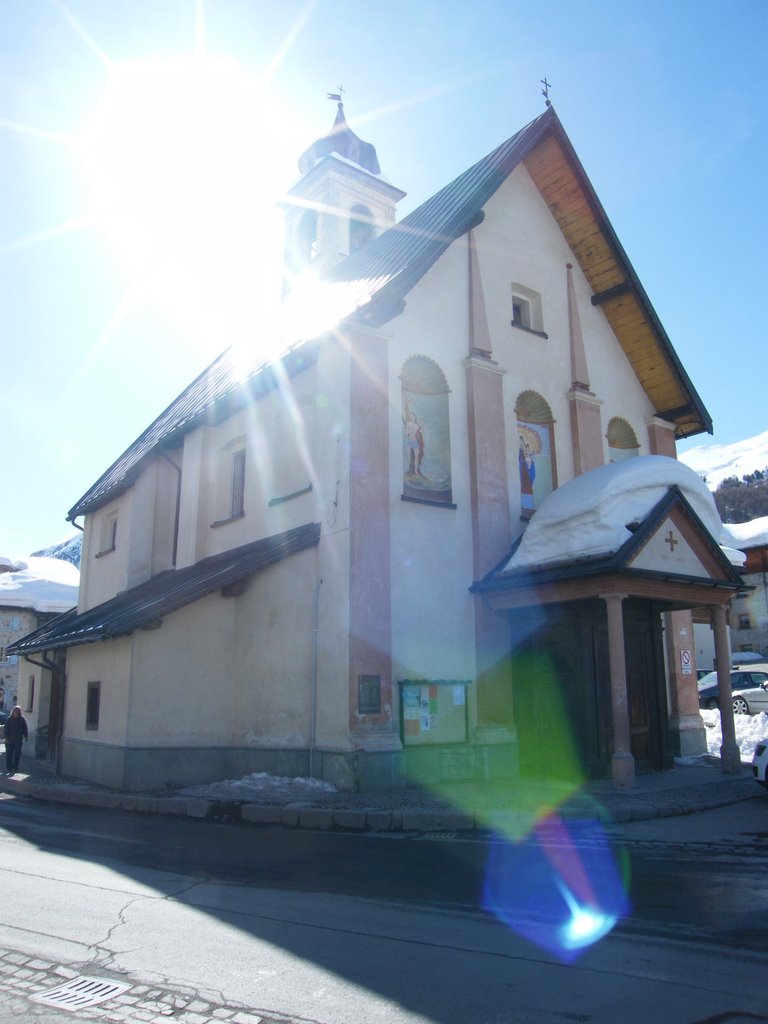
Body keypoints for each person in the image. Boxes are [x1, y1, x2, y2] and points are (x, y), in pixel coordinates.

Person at [4, 706, 28, 775]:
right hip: (10, 740)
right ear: (13, 712)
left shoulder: (22, 719)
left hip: (18, 739)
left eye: (18, 712)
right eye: (15, 712)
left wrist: (26, 736)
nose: (16, 713)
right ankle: (9, 767)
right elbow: (6, 729)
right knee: (9, 754)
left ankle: (15, 766)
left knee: (17, 754)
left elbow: (25, 728)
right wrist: (6, 737)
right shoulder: (9, 719)